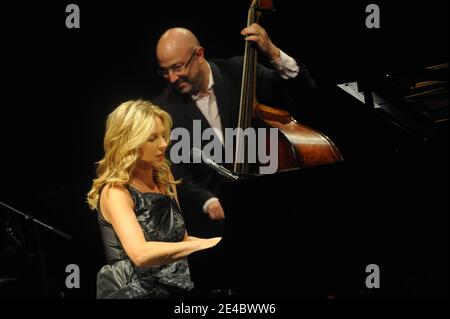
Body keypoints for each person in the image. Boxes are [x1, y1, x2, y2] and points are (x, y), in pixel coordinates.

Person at [154, 24, 318, 237]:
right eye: (164, 71)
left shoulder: (239, 72)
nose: (172, 78)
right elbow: (174, 171)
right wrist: (206, 200)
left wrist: (273, 53)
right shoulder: (164, 108)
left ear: (199, 55)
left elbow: (305, 95)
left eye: (177, 67)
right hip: (217, 226)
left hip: (273, 206)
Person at [87, 100, 221, 299]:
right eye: (152, 138)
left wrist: (219, 245)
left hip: (173, 279)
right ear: (129, 142)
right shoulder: (116, 191)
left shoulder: (167, 183)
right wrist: (204, 245)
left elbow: (182, 242)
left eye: (163, 135)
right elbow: (140, 254)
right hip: (133, 288)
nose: (164, 143)